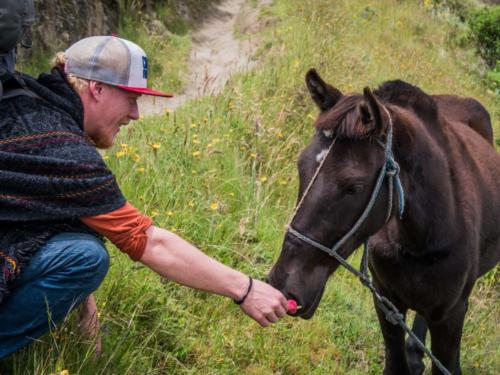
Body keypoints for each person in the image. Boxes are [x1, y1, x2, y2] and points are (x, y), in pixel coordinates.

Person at [0, 35, 288, 360]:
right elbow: (150, 242)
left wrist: (87, 317)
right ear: (97, 88)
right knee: (85, 258)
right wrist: (244, 289)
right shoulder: (60, 147)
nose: (135, 114)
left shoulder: (26, 102)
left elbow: (65, 214)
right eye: (132, 98)